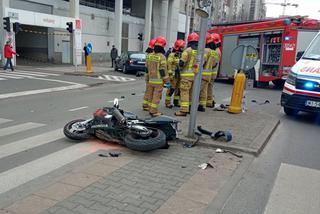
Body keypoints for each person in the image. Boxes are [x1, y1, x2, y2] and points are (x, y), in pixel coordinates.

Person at [144, 36, 170, 117]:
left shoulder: (150, 55)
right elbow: (163, 71)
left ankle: (150, 108)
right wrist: (167, 82)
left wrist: (147, 79)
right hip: (158, 81)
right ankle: (154, 111)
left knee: (151, 95)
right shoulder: (162, 57)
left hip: (151, 80)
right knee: (156, 96)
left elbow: (146, 68)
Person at [175, 33, 199, 117]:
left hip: (186, 76)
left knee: (184, 92)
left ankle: (183, 110)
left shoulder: (187, 50)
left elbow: (182, 63)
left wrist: (178, 63)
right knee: (191, 93)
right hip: (195, 76)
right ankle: (190, 108)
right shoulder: (200, 51)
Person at [198, 34, 219, 112]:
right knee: (204, 90)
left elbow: (202, 62)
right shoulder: (214, 52)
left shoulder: (206, 50)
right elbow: (215, 64)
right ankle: (202, 105)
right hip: (209, 74)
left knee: (198, 90)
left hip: (203, 74)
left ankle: (193, 105)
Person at [165, 39, 185, 108]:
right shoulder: (172, 55)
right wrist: (170, 74)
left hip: (179, 75)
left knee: (178, 89)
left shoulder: (181, 55)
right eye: (181, 47)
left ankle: (176, 102)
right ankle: (167, 102)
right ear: (178, 47)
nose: (183, 48)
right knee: (171, 89)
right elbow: (169, 64)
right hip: (173, 75)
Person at [207, 33, 222, 108]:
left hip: (211, 73)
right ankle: (209, 101)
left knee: (208, 87)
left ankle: (209, 102)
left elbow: (213, 64)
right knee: (209, 87)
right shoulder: (217, 50)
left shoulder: (215, 51)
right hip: (212, 73)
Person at [142, 38, 157, 111]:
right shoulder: (151, 55)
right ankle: (146, 105)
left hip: (148, 74)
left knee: (148, 89)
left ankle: (146, 104)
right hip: (150, 75)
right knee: (149, 90)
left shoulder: (148, 54)